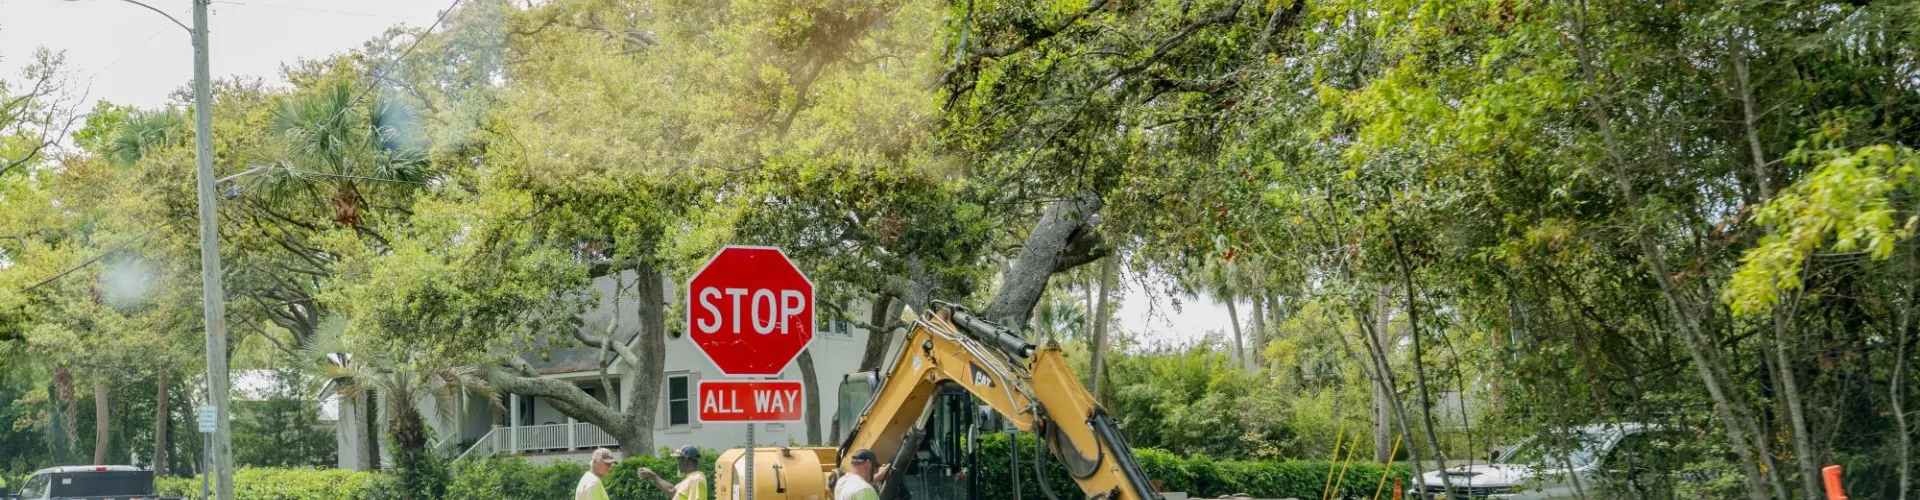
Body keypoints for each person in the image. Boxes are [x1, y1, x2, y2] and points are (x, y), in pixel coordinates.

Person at [639, 445, 708, 500]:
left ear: (685, 460)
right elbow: (672, 491)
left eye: (679, 459)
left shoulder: (695, 480)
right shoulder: (690, 479)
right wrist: (653, 476)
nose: (678, 463)